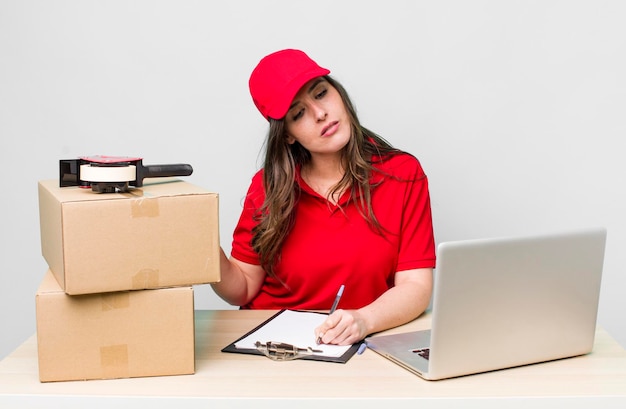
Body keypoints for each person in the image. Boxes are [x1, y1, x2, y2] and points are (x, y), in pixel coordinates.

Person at [211, 49, 436, 346]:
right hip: (273, 345)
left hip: (360, 343)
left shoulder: (403, 174)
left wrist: (364, 320)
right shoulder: (267, 187)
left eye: (320, 94)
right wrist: (202, 248)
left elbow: (416, 286)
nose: (320, 114)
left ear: (337, 93)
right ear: (288, 134)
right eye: (298, 114)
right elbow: (243, 288)